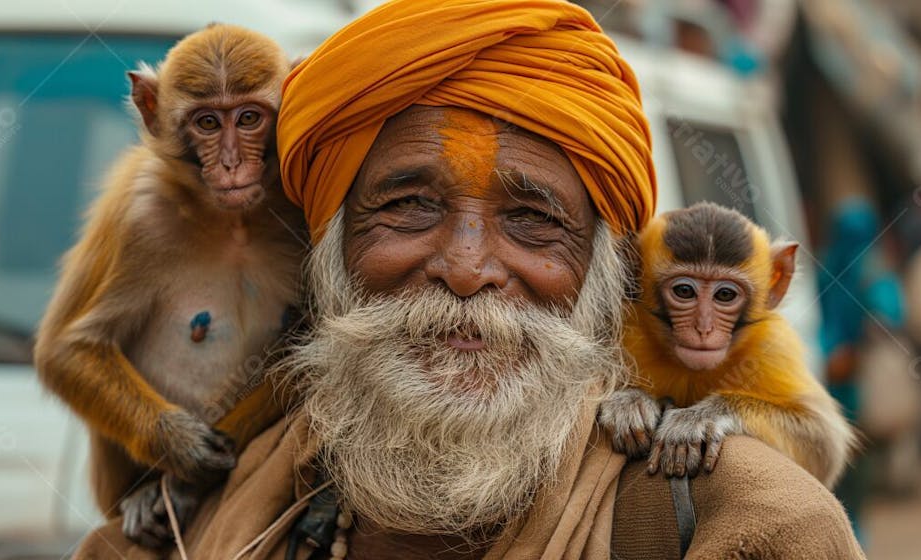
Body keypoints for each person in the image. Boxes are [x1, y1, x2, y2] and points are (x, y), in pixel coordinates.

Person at [75, 1, 864, 558]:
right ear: (329, 250)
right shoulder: (177, 525)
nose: (465, 268)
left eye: (532, 220)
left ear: (606, 270)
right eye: (408, 205)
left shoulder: (750, 529)